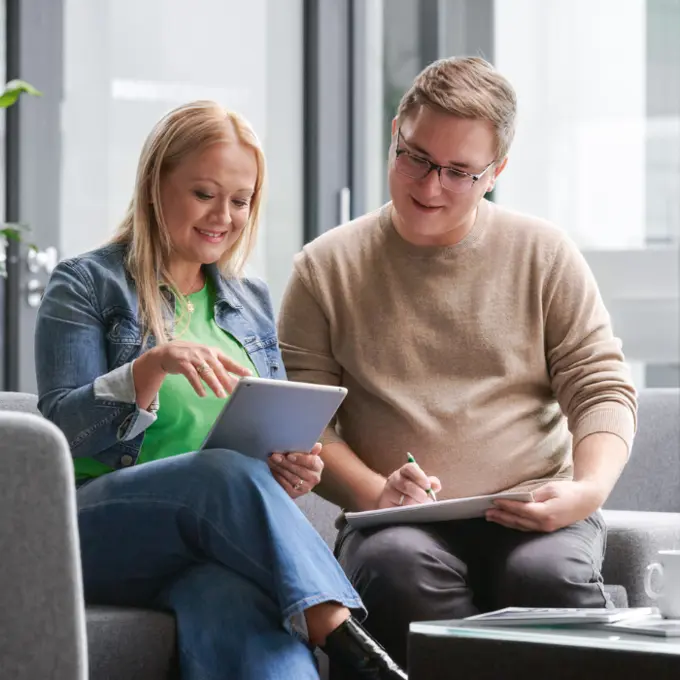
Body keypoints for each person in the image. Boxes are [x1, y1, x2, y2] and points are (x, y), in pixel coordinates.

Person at [277, 57, 638, 667]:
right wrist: (376, 493)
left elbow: (599, 384)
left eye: (459, 172)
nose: (428, 185)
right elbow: (307, 424)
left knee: (546, 580)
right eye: (415, 156)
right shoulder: (323, 269)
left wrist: (589, 489)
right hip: (392, 526)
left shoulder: (543, 254)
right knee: (395, 569)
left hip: (536, 510)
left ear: (496, 171)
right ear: (396, 130)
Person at [35, 101, 407, 680]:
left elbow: (273, 445)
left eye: (241, 200)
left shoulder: (250, 300)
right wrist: (149, 368)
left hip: (202, 544)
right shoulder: (87, 284)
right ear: (156, 185)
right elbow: (60, 431)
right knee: (221, 472)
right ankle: (354, 647)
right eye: (205, 193)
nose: (224, 216)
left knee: (234, 607)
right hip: (92, 530)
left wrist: (293, 467)